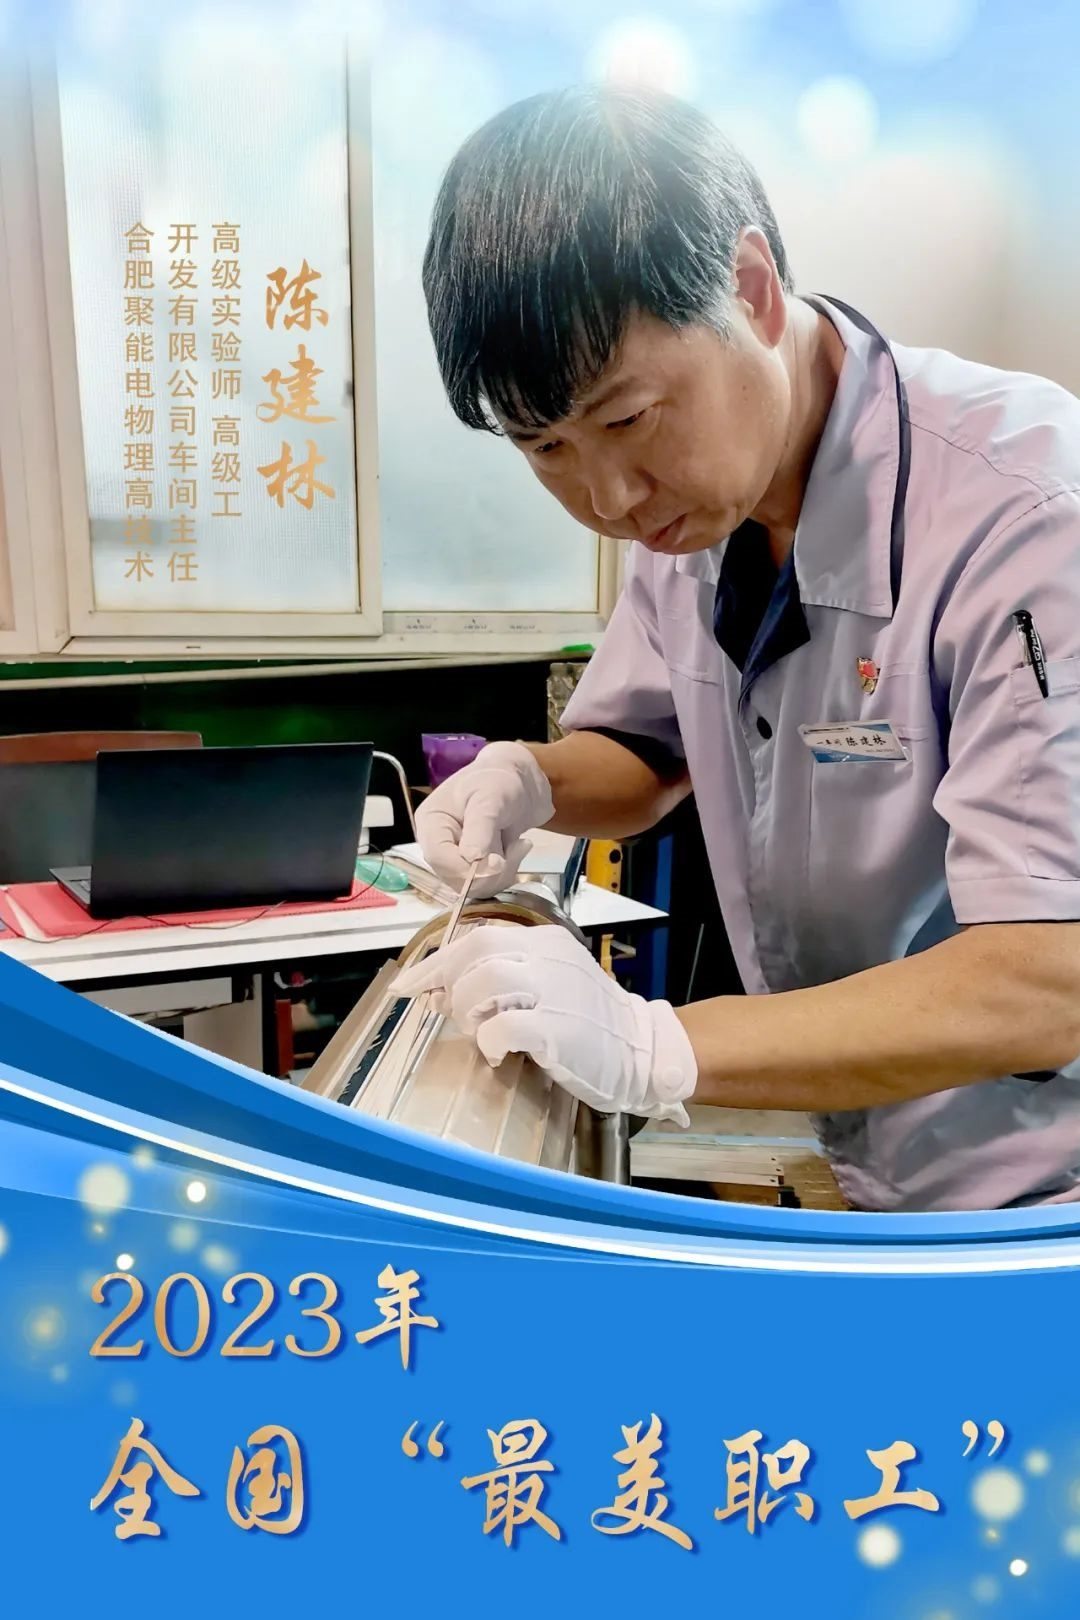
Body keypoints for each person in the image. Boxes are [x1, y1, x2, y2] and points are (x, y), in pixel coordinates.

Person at [396, 84, 1080, 1213]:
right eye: (544, 447)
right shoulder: (691, 513)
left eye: (626, 419)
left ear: (752, 290)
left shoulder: (1027, 514)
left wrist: (654, 1045)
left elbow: (1048, 976)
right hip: (873, 1154)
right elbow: (645, 750)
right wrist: (529, 780)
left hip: (1042, 1189)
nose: (608, 498)